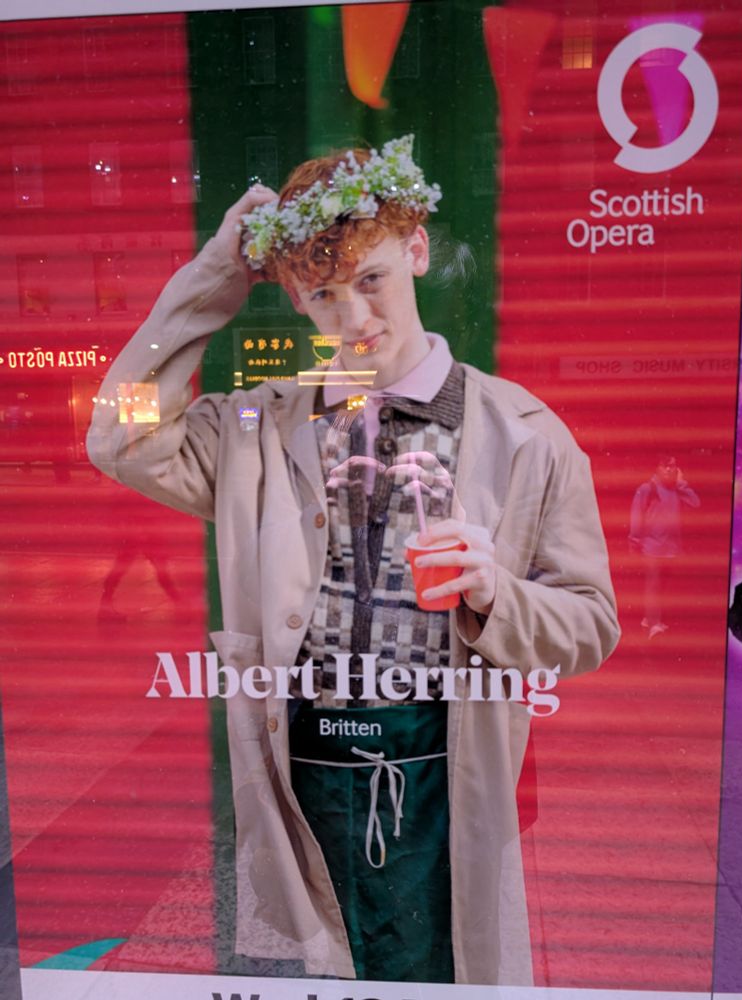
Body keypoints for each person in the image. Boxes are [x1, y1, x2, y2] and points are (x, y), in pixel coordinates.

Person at [87, 136, 620, 986]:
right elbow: (119, 435)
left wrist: (495, 594)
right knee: (299, 971)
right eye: (323, 295)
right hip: (292, 775)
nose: (355, 318)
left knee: (436, 967)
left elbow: (590, 627)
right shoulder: (258, 431)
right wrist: (215, 278)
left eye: (370, 280)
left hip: (443, 771)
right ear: (297, 298)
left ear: (415, 252)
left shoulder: (524, 434)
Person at [629, 455, 700, 639]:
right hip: (651, 548)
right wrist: (634, 541)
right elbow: (636, 516)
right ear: (656, 467)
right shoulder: (647, 488)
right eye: (665, 465)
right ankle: (653, 624)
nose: (669, 469)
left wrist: (682, 483)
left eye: (673, 466)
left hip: (671, 550)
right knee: (653, 587)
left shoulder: (676, 489)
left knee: (661, 587)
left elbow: (695, 503)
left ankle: (649, 618)